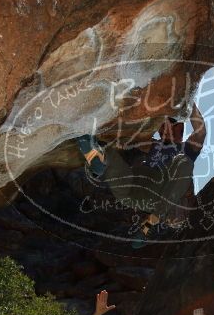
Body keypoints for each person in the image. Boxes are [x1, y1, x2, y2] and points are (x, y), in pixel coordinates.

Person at [77, 104, 206, 242]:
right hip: (137, 192)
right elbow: (126, 140)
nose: (167, 130)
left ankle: (154, 219)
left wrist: (190, 103)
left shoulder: (186, 149)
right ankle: (97, 157)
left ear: (180, 131)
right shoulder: (151, 144)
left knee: (184, 163)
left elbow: (200, 132)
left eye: (173, 127)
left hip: (160, 195)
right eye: (163, 126)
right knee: (114, 158)